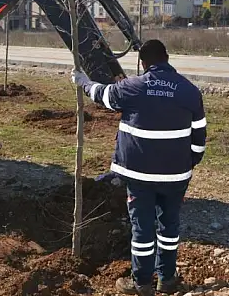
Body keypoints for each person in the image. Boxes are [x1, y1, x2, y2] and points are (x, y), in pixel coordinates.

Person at [71, 39, 207, 296]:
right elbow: (199, 139)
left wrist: (83, 81)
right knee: (169, 227)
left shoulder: (132, 87)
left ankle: (141, 284)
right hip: (176, 176)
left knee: (142, 229)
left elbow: (103, 95)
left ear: (143, 63)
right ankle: (167, 280)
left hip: (138, 175)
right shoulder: (190, 91)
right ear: (167, 59)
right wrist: (188, 164)